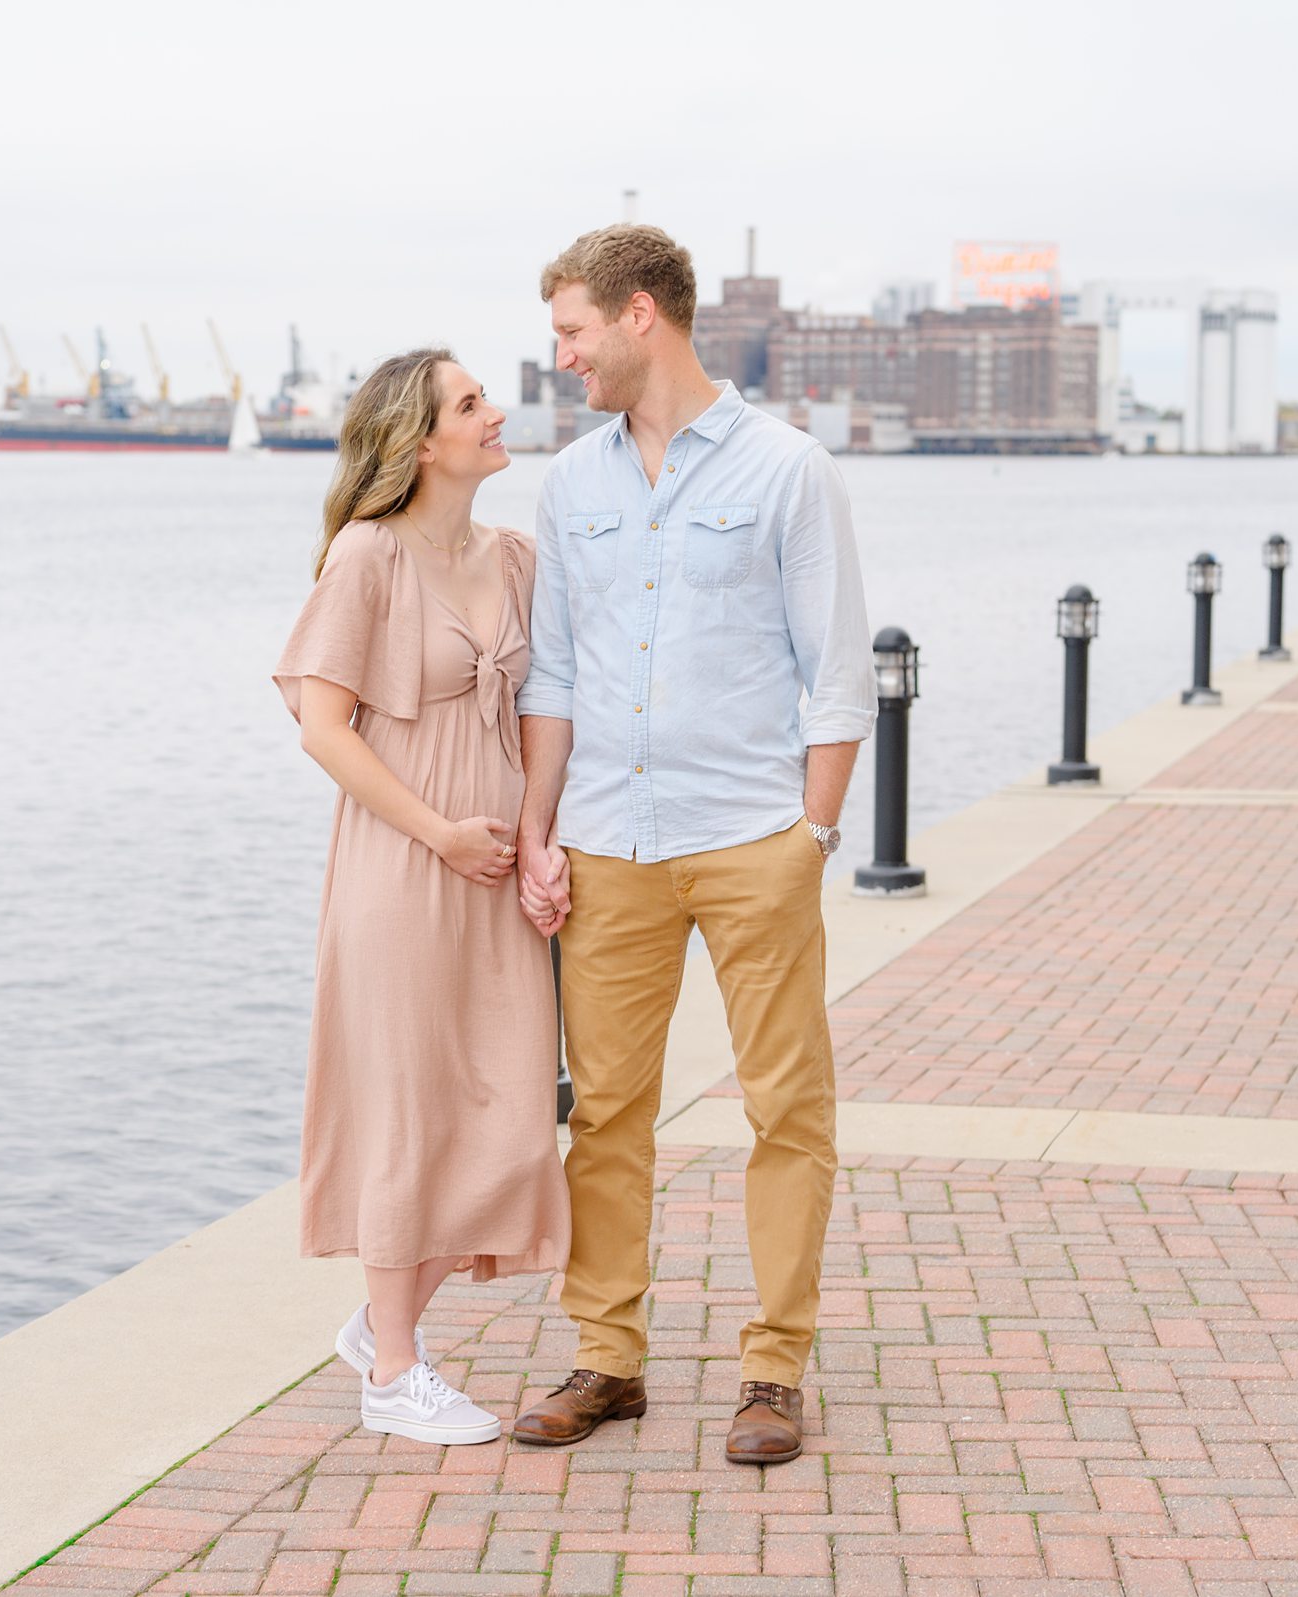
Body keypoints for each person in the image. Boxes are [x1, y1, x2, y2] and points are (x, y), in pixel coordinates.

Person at [510, 225, 876, 1466]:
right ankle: (607, 1360)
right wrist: (536, 831)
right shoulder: (571, 486)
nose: (561, 357)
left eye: (572, 331)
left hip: (753, 837)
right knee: (605, 1114)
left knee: (786, 1108)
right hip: (609, 841)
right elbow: (552, 673)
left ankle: (774, 1369)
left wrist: (811, 836)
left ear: (640, 316)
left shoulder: (787, 470)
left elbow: (838, 674)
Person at [272, 348, 570, 1446]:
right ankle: (395, 1369)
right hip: (404, 864)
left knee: (509, 1118)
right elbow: (320, 725)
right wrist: (439, 831)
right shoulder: (367, 558)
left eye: (485, 397)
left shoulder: (518, 556)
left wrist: (535, 840)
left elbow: (551, 710)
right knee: (409, 1112)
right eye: (470, 402)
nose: (494, 413)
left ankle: (377, 1322)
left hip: (494, 871)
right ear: (420, 442)